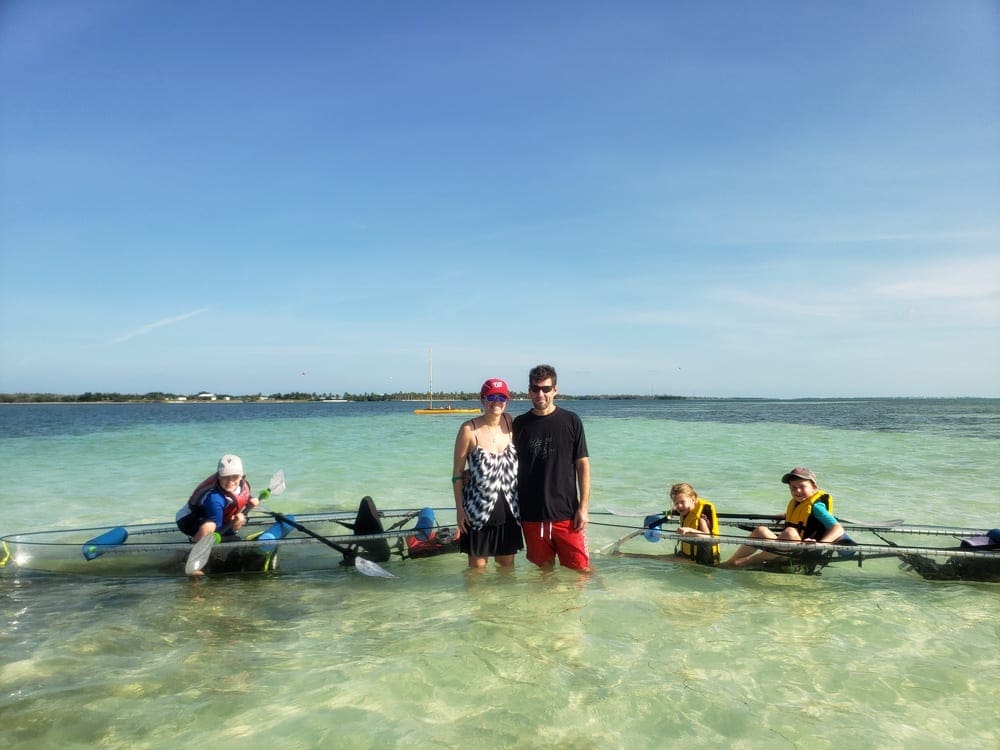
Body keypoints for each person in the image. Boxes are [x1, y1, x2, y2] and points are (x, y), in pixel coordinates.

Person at [513, 364, 592, 572]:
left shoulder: (571, 420)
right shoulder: (520, 424)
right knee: (543, 573)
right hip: (531, 515)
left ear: (555, 390)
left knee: (581, 571)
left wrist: (583, 508)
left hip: (567, 514)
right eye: (536, 388)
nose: (541, 393)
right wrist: (469, 475)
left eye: (546, 389)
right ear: (529, 391)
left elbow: (582, 464)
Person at [452, 378, 523, 569]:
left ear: (507, 400)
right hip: (477, 511)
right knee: (477, 571)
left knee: (507, 569)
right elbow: (457, 474)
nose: (496, 402)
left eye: (502, 397)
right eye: (491, 397)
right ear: (483, 399)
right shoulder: (469, 430)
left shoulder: (510, 423)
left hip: (509, 509)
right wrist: (459, 510)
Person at [721, 467, 845, 569]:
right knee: (761, 530)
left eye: (802, 486)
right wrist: (785, 515)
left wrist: (820, 544)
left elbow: (838, 528)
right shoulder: (799, 502)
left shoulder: (817, 506)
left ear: (814, 487)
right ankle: (731, 561)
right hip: (786, 549)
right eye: (793, 488)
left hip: (802, 553)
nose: (797, 491)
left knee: (789, 532)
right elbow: (806, 518)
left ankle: (744, 562)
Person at [176, 454, 260, 542]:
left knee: (240, 519)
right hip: (188, 520)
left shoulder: (243, 484)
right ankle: (195, 544)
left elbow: (242, 495)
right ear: (219, 476)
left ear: (242, 476)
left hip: (211, 514)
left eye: (235, 476)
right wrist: (234, 526)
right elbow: (218, 531)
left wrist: (251, 499)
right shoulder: (214, 498)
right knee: (209, 527)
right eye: (225, 476)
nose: (230, 481)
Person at [667, 482, 720, 566]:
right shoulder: (685, 509)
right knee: (649, 558)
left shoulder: (703, 511)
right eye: (676, 503)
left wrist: (689, 530)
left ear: (693, 498)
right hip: (687, 557)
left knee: (652, 559)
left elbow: (709, 539)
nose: (679, 506)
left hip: (703, 561)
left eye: (682, 502)